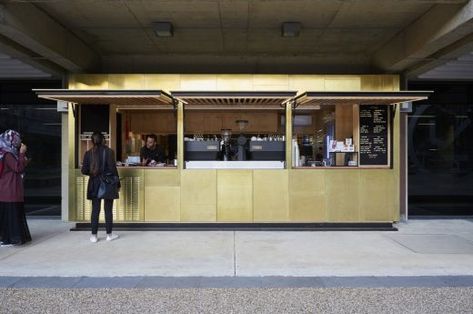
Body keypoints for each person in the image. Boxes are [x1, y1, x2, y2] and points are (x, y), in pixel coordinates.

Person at [81, 132, 120, 243]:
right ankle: (109, 235)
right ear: (103, 140)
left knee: (95, 210)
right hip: (107, 183)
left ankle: (94, 236)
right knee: (108, 210)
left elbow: (84, 170)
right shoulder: (109, 152)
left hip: (94, 184)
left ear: (92, 141)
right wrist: (117, 184)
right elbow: (113, 170)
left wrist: (93, 173)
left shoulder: (88, 153)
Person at [0, 130, 31, 247]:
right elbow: (17, 168)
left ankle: (8, 237)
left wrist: (22, 159)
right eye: (16, 139)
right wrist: (22, 153)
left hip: (8, 189)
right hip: (10, 189)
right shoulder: (7, 154)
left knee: (10, 216)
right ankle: (12, 238)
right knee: (12, 216)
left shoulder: (6, 153)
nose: (19, 142)